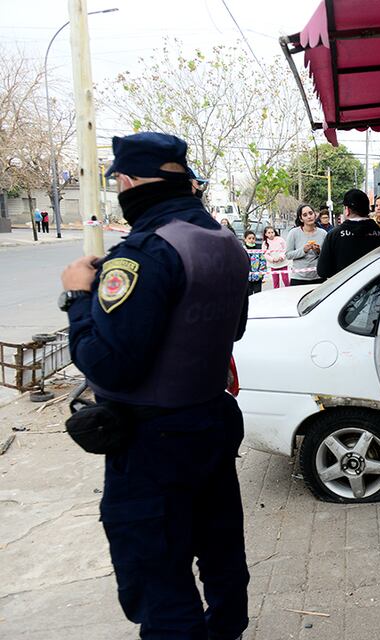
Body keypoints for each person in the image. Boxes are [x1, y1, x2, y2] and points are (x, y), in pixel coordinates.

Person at [58, 132, 250, 639]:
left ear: (124, 181)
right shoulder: (226, 241)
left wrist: (78, 297)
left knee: (158, 575)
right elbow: (234, 329)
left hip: (152, 442)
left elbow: (107, 366)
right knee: (220, 549)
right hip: (210, 421)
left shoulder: (144, 253)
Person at [317, 189, 380, 280]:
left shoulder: (333, 236)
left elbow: (323, 271)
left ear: (347, 210)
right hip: (378, 290)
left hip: (346, 290)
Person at [285, 203, 327, 286]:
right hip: (299, 278)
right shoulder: (294, 233)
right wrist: (303, 250)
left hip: (319, 277)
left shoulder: (323, 233)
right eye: (305, 215)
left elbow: (327, 255)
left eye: (311, 213)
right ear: (301, 219)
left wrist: (318, 251)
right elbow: (288, 255)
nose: (309, 216)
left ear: (315, 215)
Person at [243, 230, 266, 295]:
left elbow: (263, 262)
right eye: (249, 238)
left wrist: (260, 274)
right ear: (245, 239)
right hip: (246, 279)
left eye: (253, 238)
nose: (251, 240)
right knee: (248, 296)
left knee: (258, 295)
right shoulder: (242, 250)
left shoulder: (258, 249)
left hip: (257, 278)